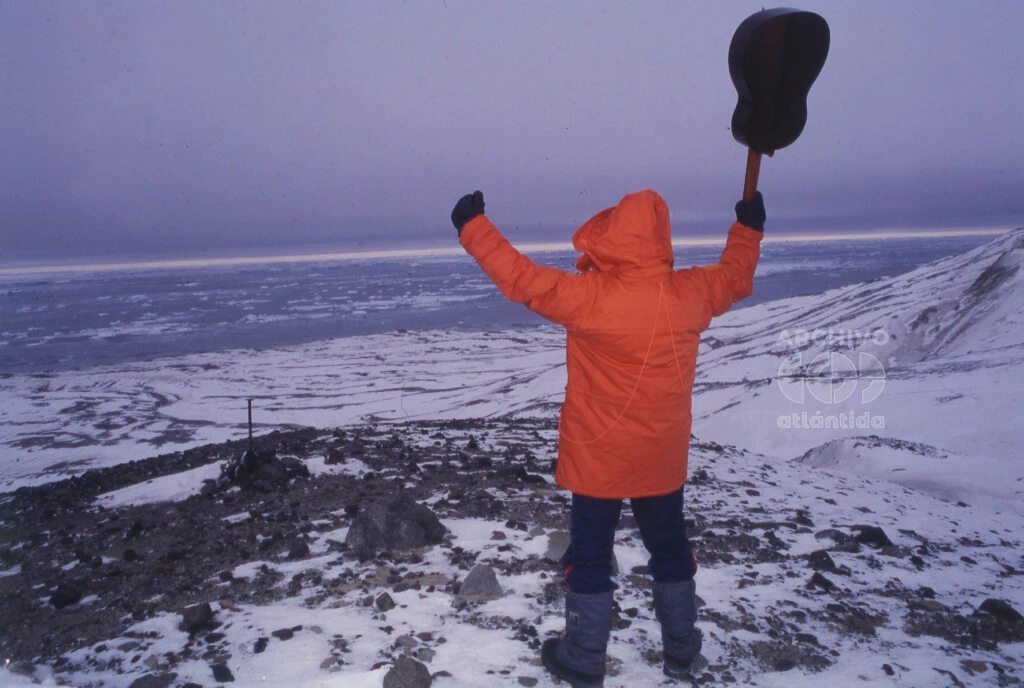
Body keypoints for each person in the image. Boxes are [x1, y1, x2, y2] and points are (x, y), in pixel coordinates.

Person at [450, 188, 764, 685]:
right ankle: (681, 653)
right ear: (660, 239)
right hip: (661, 457)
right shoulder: (692, 292)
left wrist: (473, 227)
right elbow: (736, 277)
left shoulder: (592, 298)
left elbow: (523, 281)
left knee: (591, 555)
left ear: (613, 237)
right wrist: (747, 229)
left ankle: (584, 657)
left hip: (600, 456)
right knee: (671, 551)